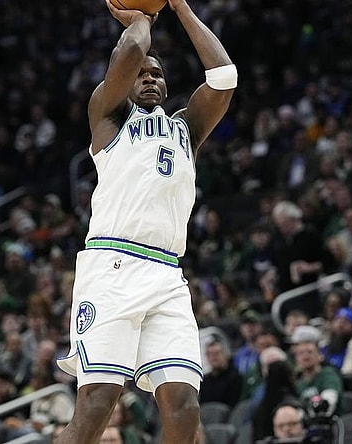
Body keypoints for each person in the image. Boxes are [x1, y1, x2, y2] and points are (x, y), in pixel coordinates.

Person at [55, 0, 236, 443]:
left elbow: (225, 77)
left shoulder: (186, 129)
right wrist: (140, 18)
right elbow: (132, 51)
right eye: (141, 75)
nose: (149, 78)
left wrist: (182, 7)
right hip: (112, 267)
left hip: (167, 273)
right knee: (98, 402)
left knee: (184, 407)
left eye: (157, 74)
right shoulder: (108, 116)